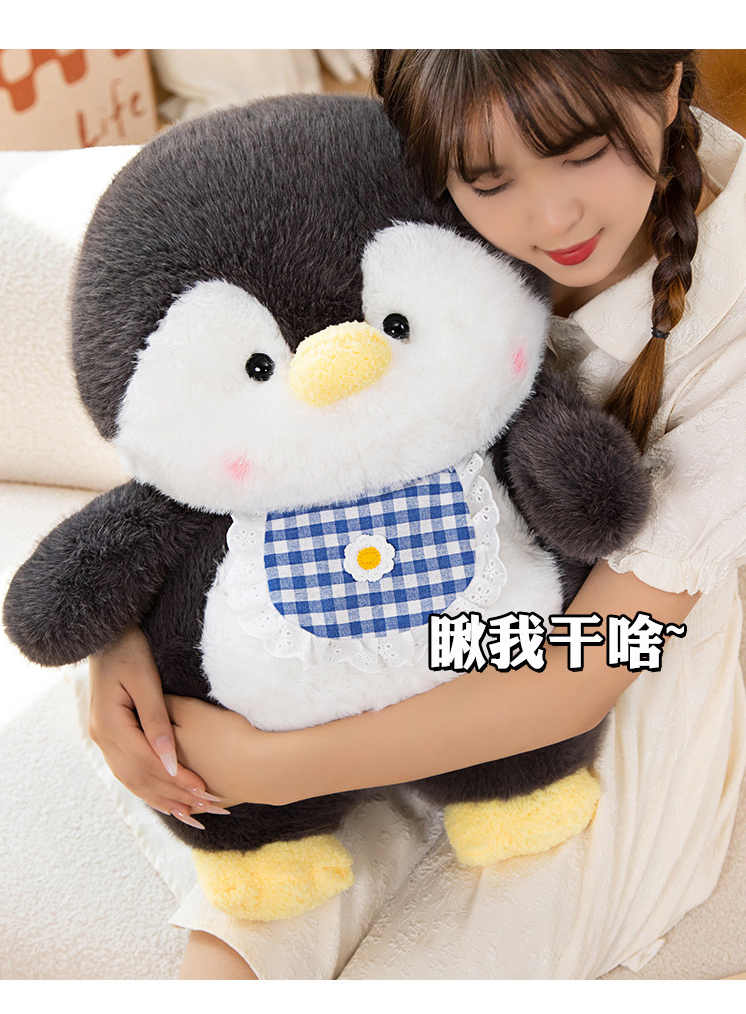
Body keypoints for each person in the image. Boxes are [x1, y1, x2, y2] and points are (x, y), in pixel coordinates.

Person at [88, 50, 746, 979]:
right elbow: (221, 423)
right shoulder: (413, 169)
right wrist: (117, 638)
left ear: (671, 79)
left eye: (584, 152)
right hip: (378, 590)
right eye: (489, 180)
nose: (551, 218)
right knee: (255, 932)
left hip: (615, 658)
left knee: (471, 934)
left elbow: (590, 665)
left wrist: (273, 765)